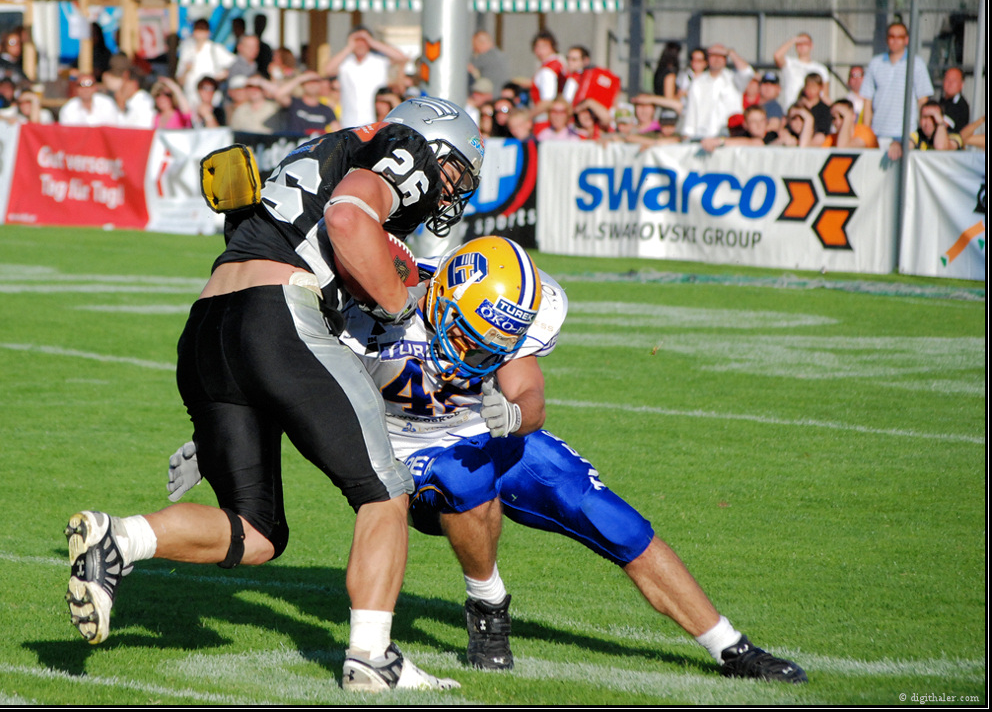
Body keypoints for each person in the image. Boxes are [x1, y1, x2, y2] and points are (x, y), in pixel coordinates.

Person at [169, 235, 808, 684]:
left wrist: (516, 414)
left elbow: (528, 390)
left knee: (613, 520)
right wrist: (224, 439)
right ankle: (487, 602)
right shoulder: (368, 301)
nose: (481, 354)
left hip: (490, 436)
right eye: (472, 338)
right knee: (460, 475)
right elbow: (296, 381)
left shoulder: (497, 305)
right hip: (408, 461)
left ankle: (731, 647)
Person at [64, 96, 484, 692]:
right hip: (276, 312)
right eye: (454, 173)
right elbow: (345, 221)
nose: (451, 191)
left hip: (210, 329)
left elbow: (329, 333)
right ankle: (372, 659)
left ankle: (120, 539)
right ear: (428, 147)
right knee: (384, 491)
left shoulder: (322, 149)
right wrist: (399, 301)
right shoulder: (402, 151)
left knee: (257, 532)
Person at [861, 22, 934, 152]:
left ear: (906, 40)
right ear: (886, 39)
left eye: (899, 37)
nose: (895, 40)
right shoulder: (875, 63)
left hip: (906, 135)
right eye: (891, 36)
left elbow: (922, 100)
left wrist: (920, 131)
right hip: (878, 132)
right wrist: (867, 131)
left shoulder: (917, 63)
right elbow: (867, 101)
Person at [322, 26, 409, 129]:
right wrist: (349, 47)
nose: (360, 45)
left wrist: (372, 42)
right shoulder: (345, 64)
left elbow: (401, 57)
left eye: (363, 41)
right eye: (356, 41)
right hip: (348, 122)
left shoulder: (379, 62)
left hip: (375, 122)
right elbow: (327, 70)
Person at [680, 43, 754, 139]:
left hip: (729, 137)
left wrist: (730, 52)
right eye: (713, 56)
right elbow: (691, 111)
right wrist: (688, 134)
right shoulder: (697, 82)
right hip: (703, 138)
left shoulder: (734, 79)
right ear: (707, 59)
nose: (717, 59)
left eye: (721, 56)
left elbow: (747, 72)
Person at [176, 18, 236, 111]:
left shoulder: (215, 48)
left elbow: (233, 63)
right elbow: (179, 78)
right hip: (190, 97)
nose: (200, 33)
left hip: (210, 96)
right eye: (197, 29)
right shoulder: (186, 50)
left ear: (208, 32)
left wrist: (220, 76)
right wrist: (186, 71)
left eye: (203, 30)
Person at [773, 32, 830, 110]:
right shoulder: (789, 63)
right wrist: (793, 40)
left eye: (805, 43)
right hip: (791, 108)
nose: (802, 46)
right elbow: (777, 56)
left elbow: (824, 94)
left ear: (811, 46)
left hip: (812, 110)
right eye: (799, 44)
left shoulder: (821, 69)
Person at [272, 70, 339, 136]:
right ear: (302, 84)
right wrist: (300, 78)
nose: (312, 85)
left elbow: (338, 131)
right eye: (308, 81)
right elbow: (279, 94)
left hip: (316, 145)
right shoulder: (294, 103)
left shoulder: (326, 109)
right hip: (296, 145)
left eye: (315, 81)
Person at [527, 29, 567, 134]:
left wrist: (527, 116)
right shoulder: (559, 64)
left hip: (544, 121)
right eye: (537, 47)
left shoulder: (548, 70)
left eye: (544, 46)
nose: (540, 50)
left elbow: (547, 100)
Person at [701, 104, 777, 151]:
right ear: (745, 125)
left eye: (761, 120)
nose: (758, 125)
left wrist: (720, 142)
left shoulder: (774, 135)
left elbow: (758, 143)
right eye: (754, 121)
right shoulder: (743, 136)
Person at [468, 30, 510, 97]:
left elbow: (469, 68)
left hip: (488, 95)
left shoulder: (485, 56)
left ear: (482, 43)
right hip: (499, 94)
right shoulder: (500, 55)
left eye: (474, 45)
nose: (474, 48)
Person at [795, 72, 831, 146]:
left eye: (814, 87)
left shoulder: (824, 108)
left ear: (820, 88)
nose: (811, 90)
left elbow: (822, 131)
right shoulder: (799, 105)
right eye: (808, 87)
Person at [938, 66, 969, 134]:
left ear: (962, 84)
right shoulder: (942, 100)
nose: (950, 83)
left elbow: (943, 124)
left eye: (954, 80)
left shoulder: (960, 105)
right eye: (947, 79)